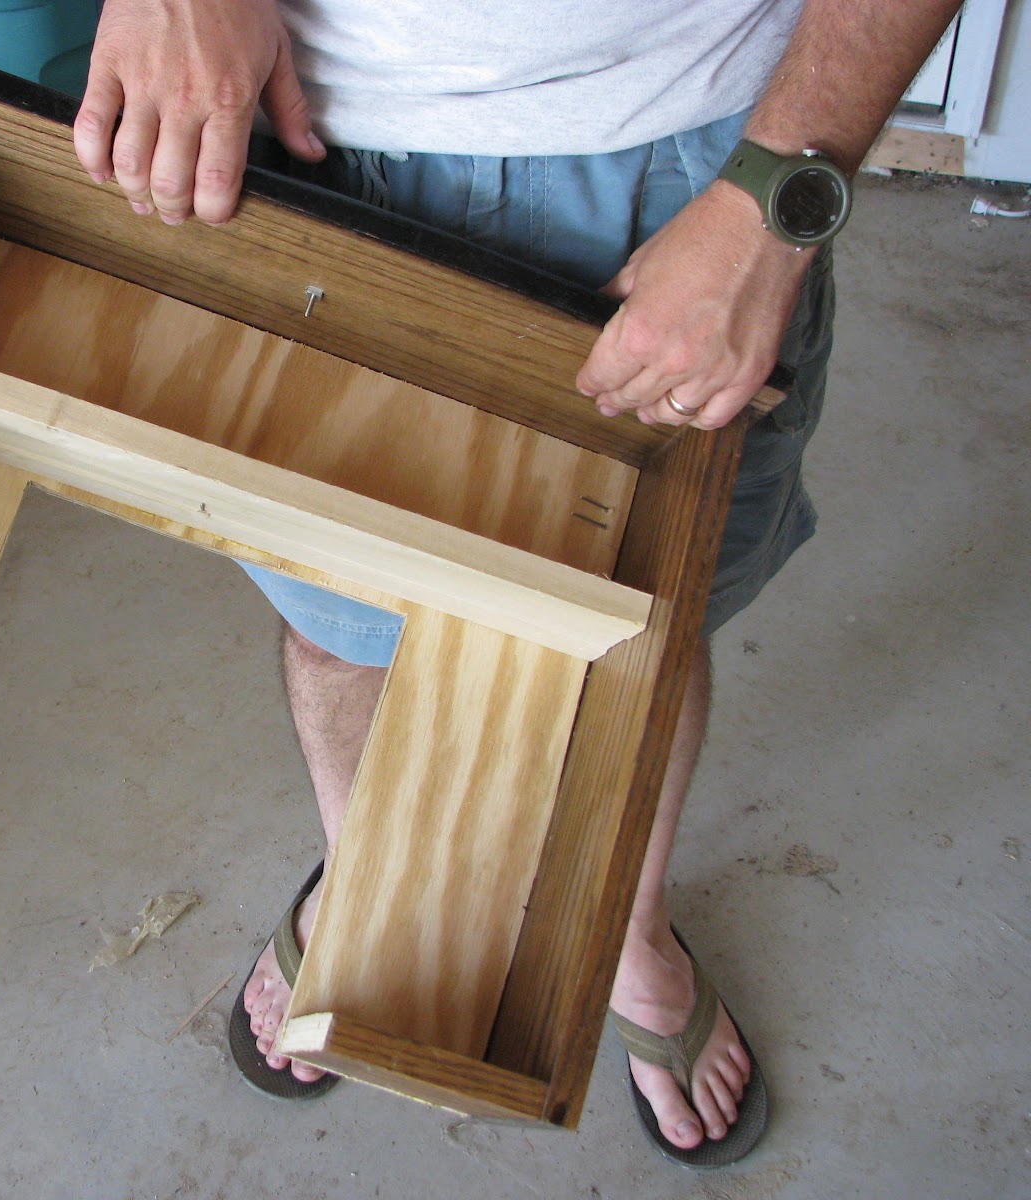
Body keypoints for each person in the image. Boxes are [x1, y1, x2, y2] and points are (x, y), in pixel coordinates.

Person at [70, 0, 962, 1165]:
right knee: (341, 619)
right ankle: (366, 883)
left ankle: (623, 928)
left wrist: (774, 198)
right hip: (320, 124)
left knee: (642, 629)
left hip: (696, 154)